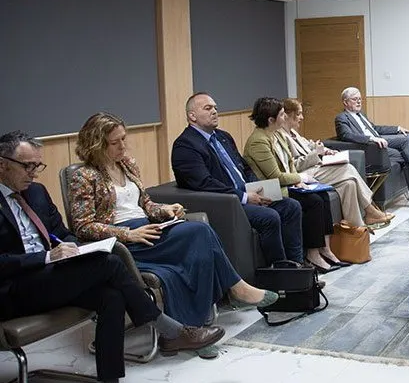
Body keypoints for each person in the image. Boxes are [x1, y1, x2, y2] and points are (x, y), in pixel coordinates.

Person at [1, 131, 223, 383]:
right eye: (28, 166)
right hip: (14, 288)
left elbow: (61, 233)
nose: (34, 174)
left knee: (112, 296)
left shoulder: (35, 192)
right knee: (109, 264)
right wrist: (46, 257)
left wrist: (76, 249)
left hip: (49, 278)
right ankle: (169, 329)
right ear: (3, 164)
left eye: (38, 166)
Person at [70, 112, 277, 359]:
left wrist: (165, 210)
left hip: (148, 229)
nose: (123, 146)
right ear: (96, 144)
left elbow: (146, 204)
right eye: (115, 142)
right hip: (125, 242)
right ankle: (236, 290)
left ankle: (190, 332)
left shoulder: (127, 164)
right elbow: (82, 226)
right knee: (199, 231)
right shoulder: (84, 176)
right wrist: (128, 234)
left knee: (194, 251)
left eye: (124, 139)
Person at [171, 92, 304, 266]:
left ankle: (297, 266)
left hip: (246, 193)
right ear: (192, 116)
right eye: (208, 108)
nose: (214, 111)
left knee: (291, 206)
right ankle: (279, 270)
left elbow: (245, 167)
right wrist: (244, 197)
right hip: (226, 202)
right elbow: (204, 183)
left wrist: (257, 188)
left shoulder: (223, 137)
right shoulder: (185, 145)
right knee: (269, 216)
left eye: (215, 108)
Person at [243, 97, 347, 273]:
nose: (285, 117)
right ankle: (312, 254)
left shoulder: (277, 135)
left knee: (322, 196)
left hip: (287, 184)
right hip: (272, 189)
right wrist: (300, 177)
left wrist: (298, 181)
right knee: (313, 202)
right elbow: (275, 176)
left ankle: (325, 249)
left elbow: (290, 163)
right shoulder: (258, 141)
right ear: (271, 120)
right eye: (282, 114)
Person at [281, 98, 393, 229]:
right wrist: (316, 154)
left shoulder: (293, 132)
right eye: (298, 114)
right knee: (347, 168)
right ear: (287, 115)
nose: (302, 117)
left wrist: (326, 150)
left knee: (349, 184)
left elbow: (310, 145)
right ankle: (370, 209)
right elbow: (293, 165)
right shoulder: (282, 137)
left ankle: (356, 227)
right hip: (303, 174)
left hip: (315, 168)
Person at [335, 87, 409, 209]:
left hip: (379, 141)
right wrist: (370, 139)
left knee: (407, 140)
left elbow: (375, 129)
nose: (359, 102)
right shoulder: (341, 118)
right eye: (355, 99)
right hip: (370, 148)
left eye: (360, 99)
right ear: (345, 102)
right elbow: (346, 135)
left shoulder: (361, 114)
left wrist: (397, 128)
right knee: (407, 155)